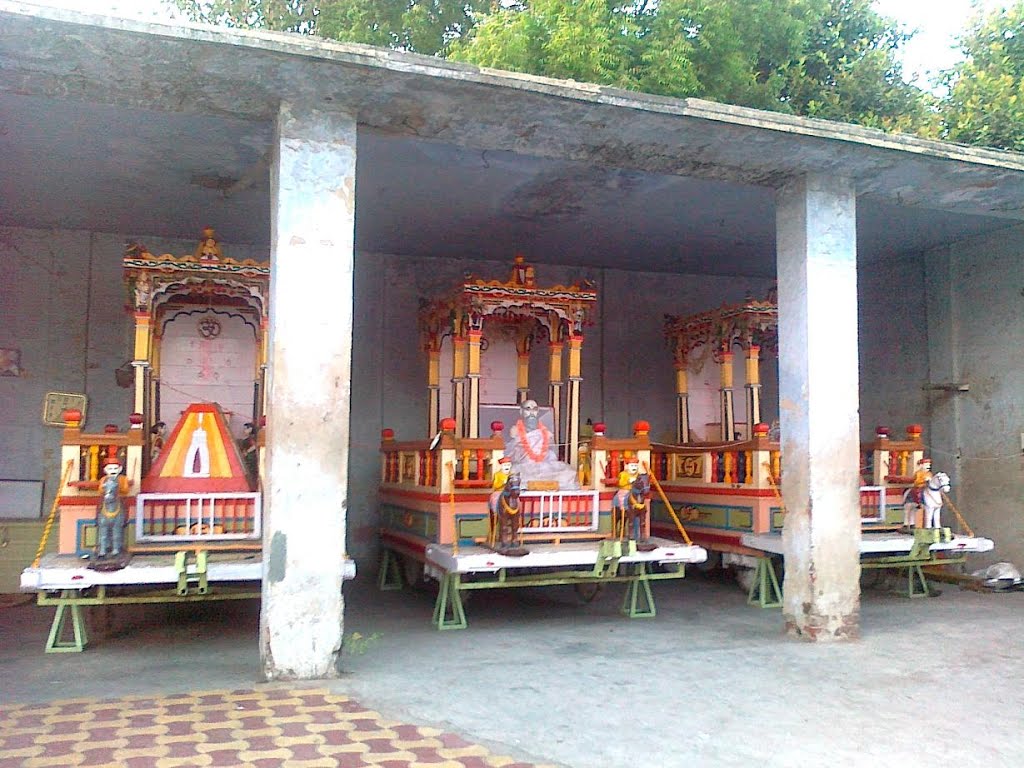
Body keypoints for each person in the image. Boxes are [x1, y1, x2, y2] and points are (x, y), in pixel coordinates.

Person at [503, 399, 580, 489]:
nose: (531, 412)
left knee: (568, 472)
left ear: (537, 412)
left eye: (534, 409)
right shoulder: (515, 431)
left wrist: (548, 458)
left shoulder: (546, 432)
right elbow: (511, 455)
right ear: (521, 411)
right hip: (525, 467)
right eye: (528, 409)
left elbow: (552, 454)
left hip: (545, 467)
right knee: (514, 475)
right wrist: (516, 441)